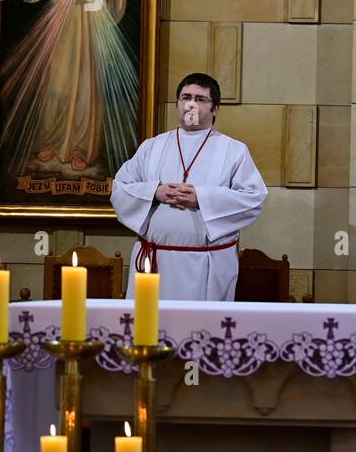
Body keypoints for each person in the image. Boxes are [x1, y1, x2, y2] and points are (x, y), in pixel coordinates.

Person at [0, 0, 138, 181]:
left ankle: (80, 150)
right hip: (59, 25)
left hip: (90, 23)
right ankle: (50, 142)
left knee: (87, 89)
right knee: (57, 85)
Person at [112, 72, 267, 300]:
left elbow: (253, 198)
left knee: (201, 331)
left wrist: (202, 198)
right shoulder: (152, 146)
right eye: (186, 97)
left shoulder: (233, 150)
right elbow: (120, 188)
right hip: (155, 262)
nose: (191, 104)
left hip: (206, 264)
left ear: (215, 109)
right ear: (178, 103)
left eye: (200, 99)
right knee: (149, 330)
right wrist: (155, 192)